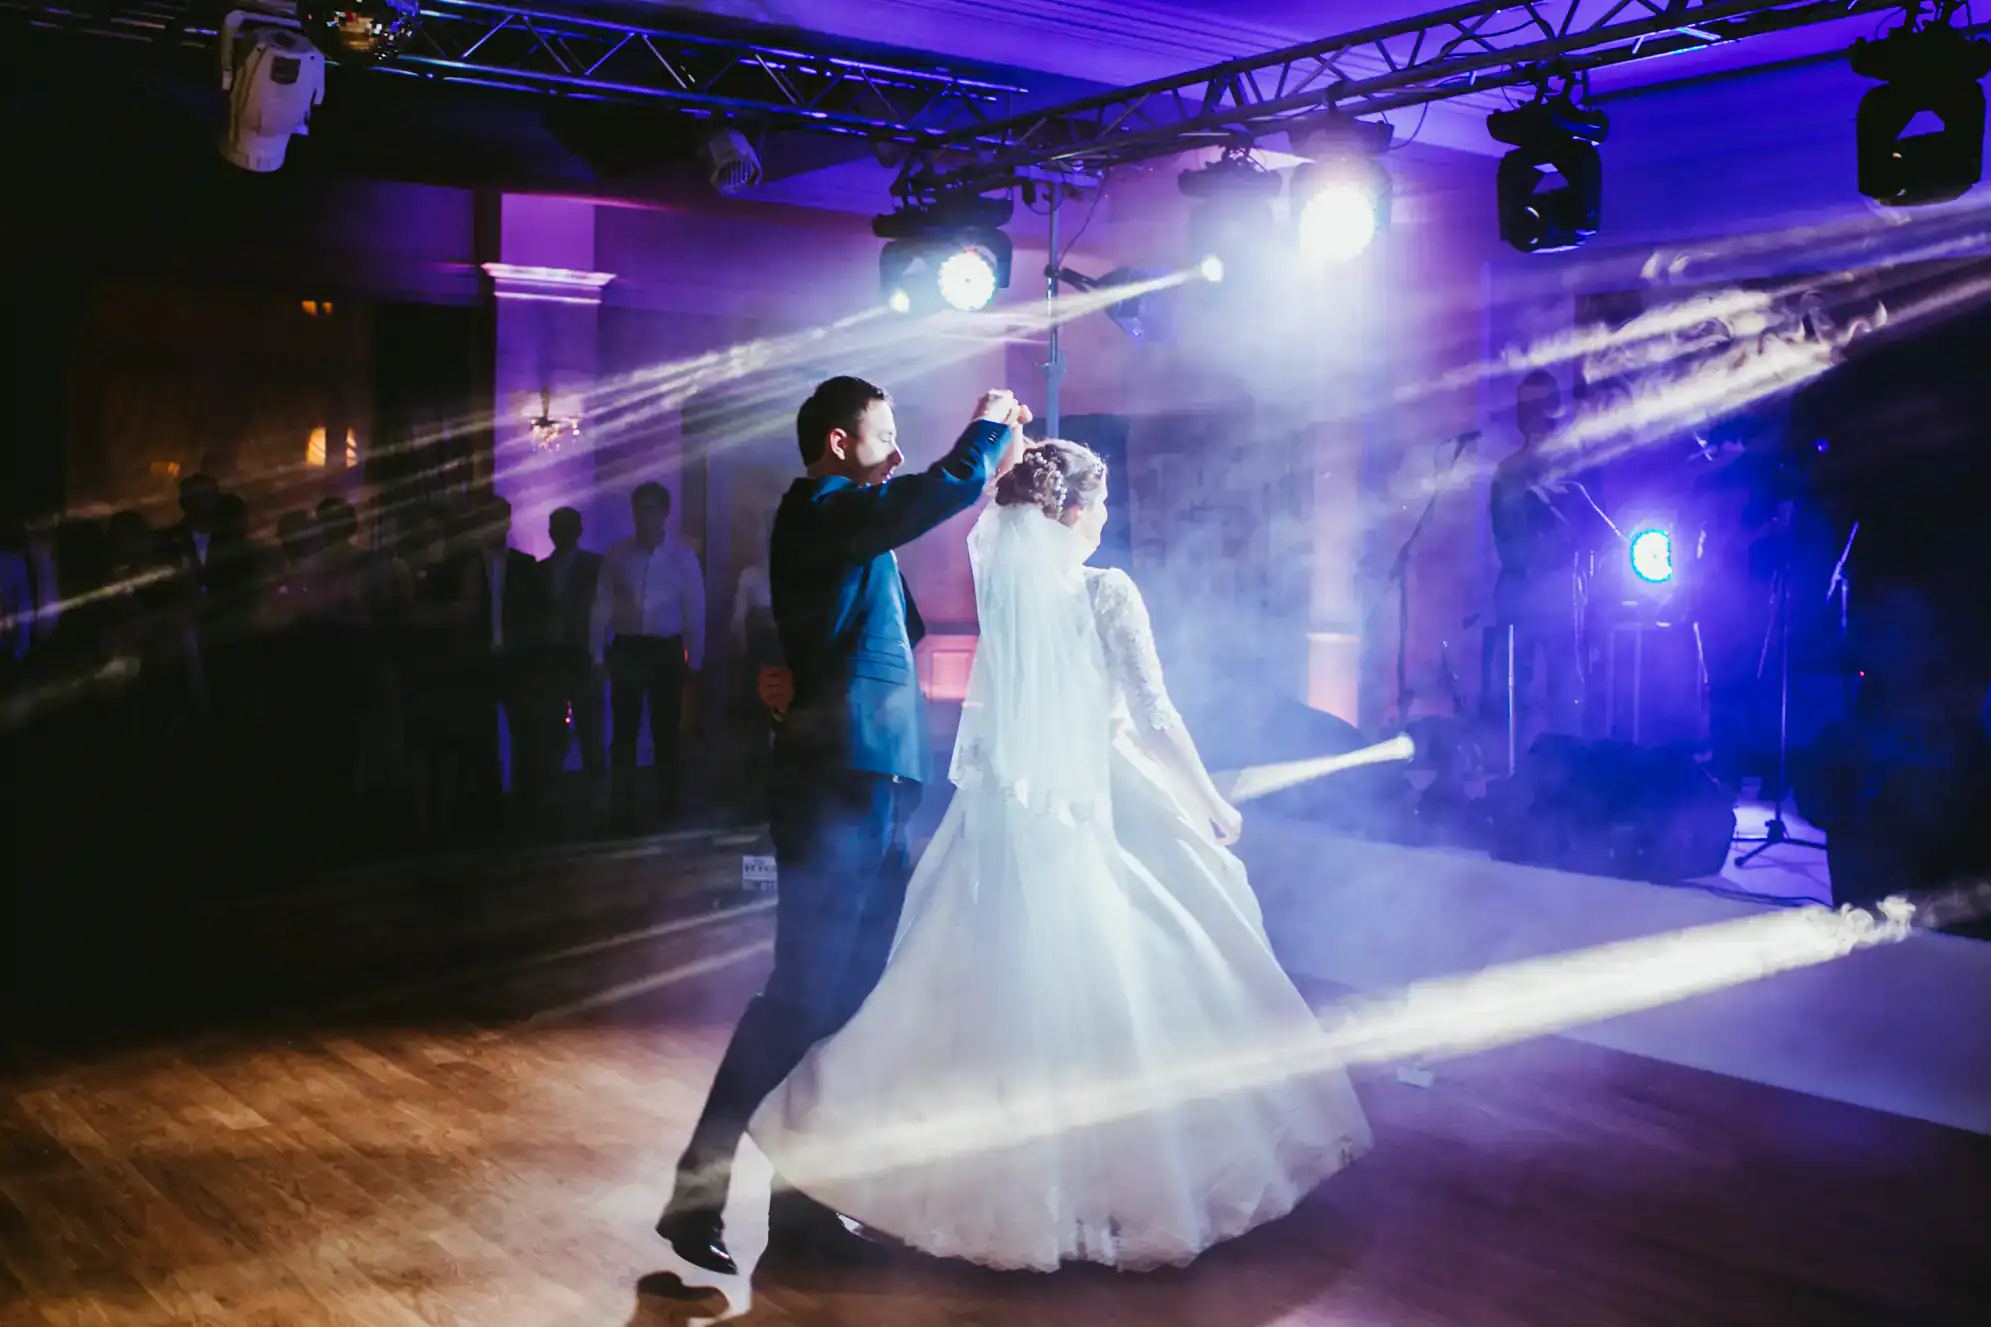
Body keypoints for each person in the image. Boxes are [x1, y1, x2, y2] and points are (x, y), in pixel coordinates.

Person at [742, 439, 1371, 1272]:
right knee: (1146, 982)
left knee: (974, 997)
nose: (1106, 517)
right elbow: (1152, 714)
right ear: (1071, 511)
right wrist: (1208, 800)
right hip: (1102, 797)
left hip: (1010, 807)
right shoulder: (1110, 592)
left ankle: (873, 1150)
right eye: (1100, 502)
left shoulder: (1006, 596)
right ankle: (1121, 1195)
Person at [654, 378, 1025, 1274]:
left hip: (881, 780)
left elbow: (866, 628)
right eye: (883, 435)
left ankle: (805, 1208)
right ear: (836, 442)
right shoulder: (815, 508)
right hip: (835, 781)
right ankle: (696, 1187)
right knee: (803, 992)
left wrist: (791, 674)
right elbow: (927, 493)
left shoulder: (849, 524)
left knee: (848, 1002)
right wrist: (983, 429)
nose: (895, 450)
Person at [593, 482, 705, 821]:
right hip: (627, 648)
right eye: (639, 508)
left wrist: (695, 658)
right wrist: (597, 654)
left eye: (651, 508)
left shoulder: (681, 557)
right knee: (624, 730)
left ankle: (669, 803)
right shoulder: (616, 555)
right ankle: (622, 803)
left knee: (666, 731)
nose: (644, 516)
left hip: (664, 650)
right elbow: (601, 605)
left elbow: (694, 608)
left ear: (664, 512)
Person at [1489, 370, 1584, 743]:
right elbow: (1501, 531)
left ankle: (1568, 760)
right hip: (1519, 588)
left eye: (1542, 405)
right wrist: (1521, 570)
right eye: (1526, 406)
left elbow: (1586, 526)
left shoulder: (1572, 464)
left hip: (1558, 589)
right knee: (1515, 680)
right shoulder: (1507, 471)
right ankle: (1517, 759)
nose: (1534, 415)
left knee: (1563, 680)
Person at [538, 506, 606, 778]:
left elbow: (604, 611)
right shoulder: (540, 570)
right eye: (556, 527)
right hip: (552, 659)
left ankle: (597, 793)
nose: (560, 533)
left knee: (590, 730)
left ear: (578, 531)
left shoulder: (596, 566)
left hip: (584, 657)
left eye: (566, 527)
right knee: (553, 732)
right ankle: (556, 790)